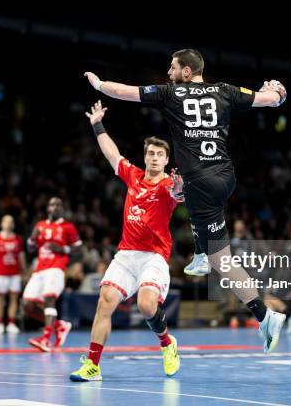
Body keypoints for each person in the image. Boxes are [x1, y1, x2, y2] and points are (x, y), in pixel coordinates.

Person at [85, 48, 287, 352]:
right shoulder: (226, 90)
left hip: (200, 182)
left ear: (187, 72)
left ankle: (201, 253)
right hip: (225, 177)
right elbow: (268, 99)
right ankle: (265, 316)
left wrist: (99, 84)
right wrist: (278, 92)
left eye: (172, 68)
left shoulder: (171, 94)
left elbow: (123, 91)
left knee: (181, 184)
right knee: (224, 260)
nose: (168, 73)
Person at [70, 101, 182, 381]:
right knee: (105, 300)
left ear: (166, 160)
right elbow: (111, 153)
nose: (155, 158)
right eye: (151, 153)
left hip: (153, 257)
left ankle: (167, 343)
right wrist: (97, 124)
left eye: (160, 154)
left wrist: (181, 189)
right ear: (145, 157)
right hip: (126, 255)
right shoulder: (133, 176)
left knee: (146, 305)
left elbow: (179, 196)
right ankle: (93, 365)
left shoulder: (169, 185)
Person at [24, 197, 82, 351]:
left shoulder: (68, 227)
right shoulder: (40, 225)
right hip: (39, 270)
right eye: (52, 204)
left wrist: (63, 249)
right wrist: (32, 238)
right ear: (48, 208)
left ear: (62, 209)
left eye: (58, 205)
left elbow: (78, 249)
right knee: (27, 305)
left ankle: (45, 339)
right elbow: (30, 249)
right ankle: (59, 326)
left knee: (49, 300)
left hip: (56, 269)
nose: (55, 207)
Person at [0, 215, 26, 335]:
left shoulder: (18, 239)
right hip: (0, 274)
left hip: (15, 274)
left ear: (13, 225)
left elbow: (21, 258)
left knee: (14, 299)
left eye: (11, 222)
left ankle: (11, 323)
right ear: (2, 223)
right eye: (6, 221)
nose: (9, 224)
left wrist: (24, 272)